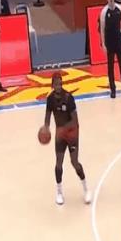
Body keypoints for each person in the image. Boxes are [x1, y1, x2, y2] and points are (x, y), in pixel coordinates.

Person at [43, 73, 91, 206]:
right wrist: (46, 128)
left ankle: (86, 189)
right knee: (58, 163)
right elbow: (47, 117)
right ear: (52, 85)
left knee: (74, 162)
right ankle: (59, 192)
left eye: (60, 84)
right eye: (56, 84)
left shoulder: (68, 98)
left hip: (72, 133)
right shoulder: (50, 99)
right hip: (60, 135)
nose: (58, 86)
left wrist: (63, 130)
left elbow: (75, 121)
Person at [100, 0, 121, 98]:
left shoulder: (119, 8)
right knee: (110, 67)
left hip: (118, 40)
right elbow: (102, 29)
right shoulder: (104, 12)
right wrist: (103, 44)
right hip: (109, 42)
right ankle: (113, 89)